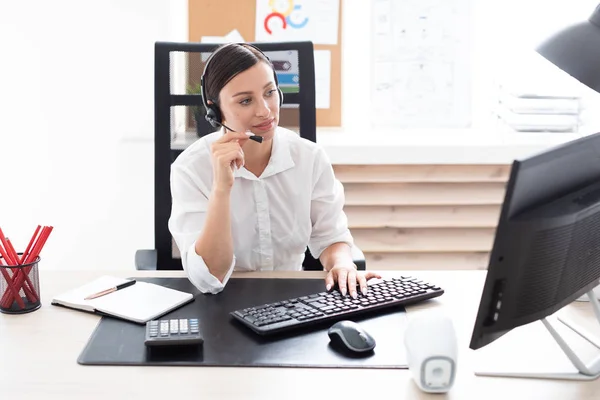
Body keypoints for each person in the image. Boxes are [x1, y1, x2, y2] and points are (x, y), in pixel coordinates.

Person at [168, 42, 380, 297]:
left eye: (269, 92)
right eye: (246, 100)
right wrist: (221, 189)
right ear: (215, 111)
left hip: (293, 302)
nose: (265, 110)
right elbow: (210, 277)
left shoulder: (309, 158)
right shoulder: (190, 169)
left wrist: (342, 264)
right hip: (222, 304)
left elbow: (330, 236)